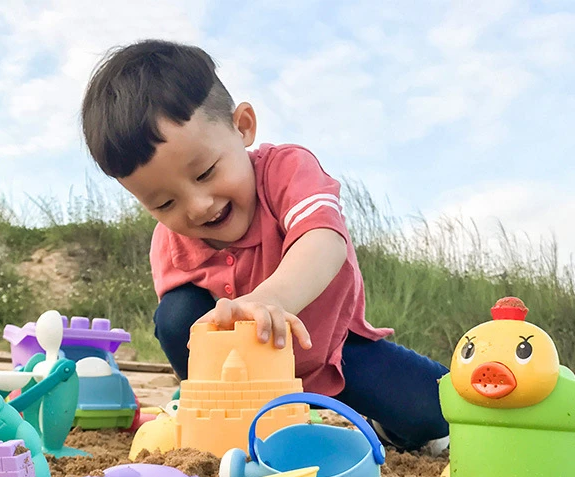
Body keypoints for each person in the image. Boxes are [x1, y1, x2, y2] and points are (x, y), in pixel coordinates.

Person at [80, 39, 449, 454]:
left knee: (437, 410)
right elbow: (183, 332)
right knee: (177, 314)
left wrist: (271, 298)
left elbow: (324, 241)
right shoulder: (170, 243)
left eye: (205, 172)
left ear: (243, 127)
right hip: (243, 381)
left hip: (335, 353)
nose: (198, 206)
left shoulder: (286, 172)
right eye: (164, 203)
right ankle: (216, 419)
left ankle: (388, 426)